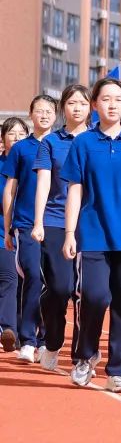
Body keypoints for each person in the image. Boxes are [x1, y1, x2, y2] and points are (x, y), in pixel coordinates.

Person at [60, 77, 121, 392]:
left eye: (118, 99)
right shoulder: (84, 143)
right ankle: (85, 355)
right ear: (95, 105)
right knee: (94, 297)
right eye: (105, 99)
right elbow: (75, 190)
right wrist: (69, 232)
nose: (112, 104)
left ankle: (117, 371)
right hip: (93, 235)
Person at [30, 84, 91, 370]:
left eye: (83, 103)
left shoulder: (97, 140)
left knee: (85, 291)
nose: (77, 108)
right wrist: (38, 221)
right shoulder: (52, 142)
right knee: (59, 287)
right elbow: (43, 183)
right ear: (62, 108)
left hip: (89, 223)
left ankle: (81, 354)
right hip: (55, 220)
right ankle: (52, 340)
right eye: (72, 103)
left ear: (90, 108)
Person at [3, 94, 58, 362]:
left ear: (55, 116)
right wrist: (7, 225)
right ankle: (27, 339)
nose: (44, 115)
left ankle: (47, 339)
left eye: (49, 111)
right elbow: (10, 189)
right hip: (25, 223)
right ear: (31, 114)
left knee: (55, 282)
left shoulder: (61, 144)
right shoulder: (21, 149)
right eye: (39, 110)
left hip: (56, 223)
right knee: (34, 276)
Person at [0, 117, 29, 351]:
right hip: (3, 232)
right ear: (3, 139)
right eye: (12, 133)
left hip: (26, 230)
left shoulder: (33, 164)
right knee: (9, 277)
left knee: (25, 282)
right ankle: (8, 328)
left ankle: (21, 331)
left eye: (21, 133)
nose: (17, 138)